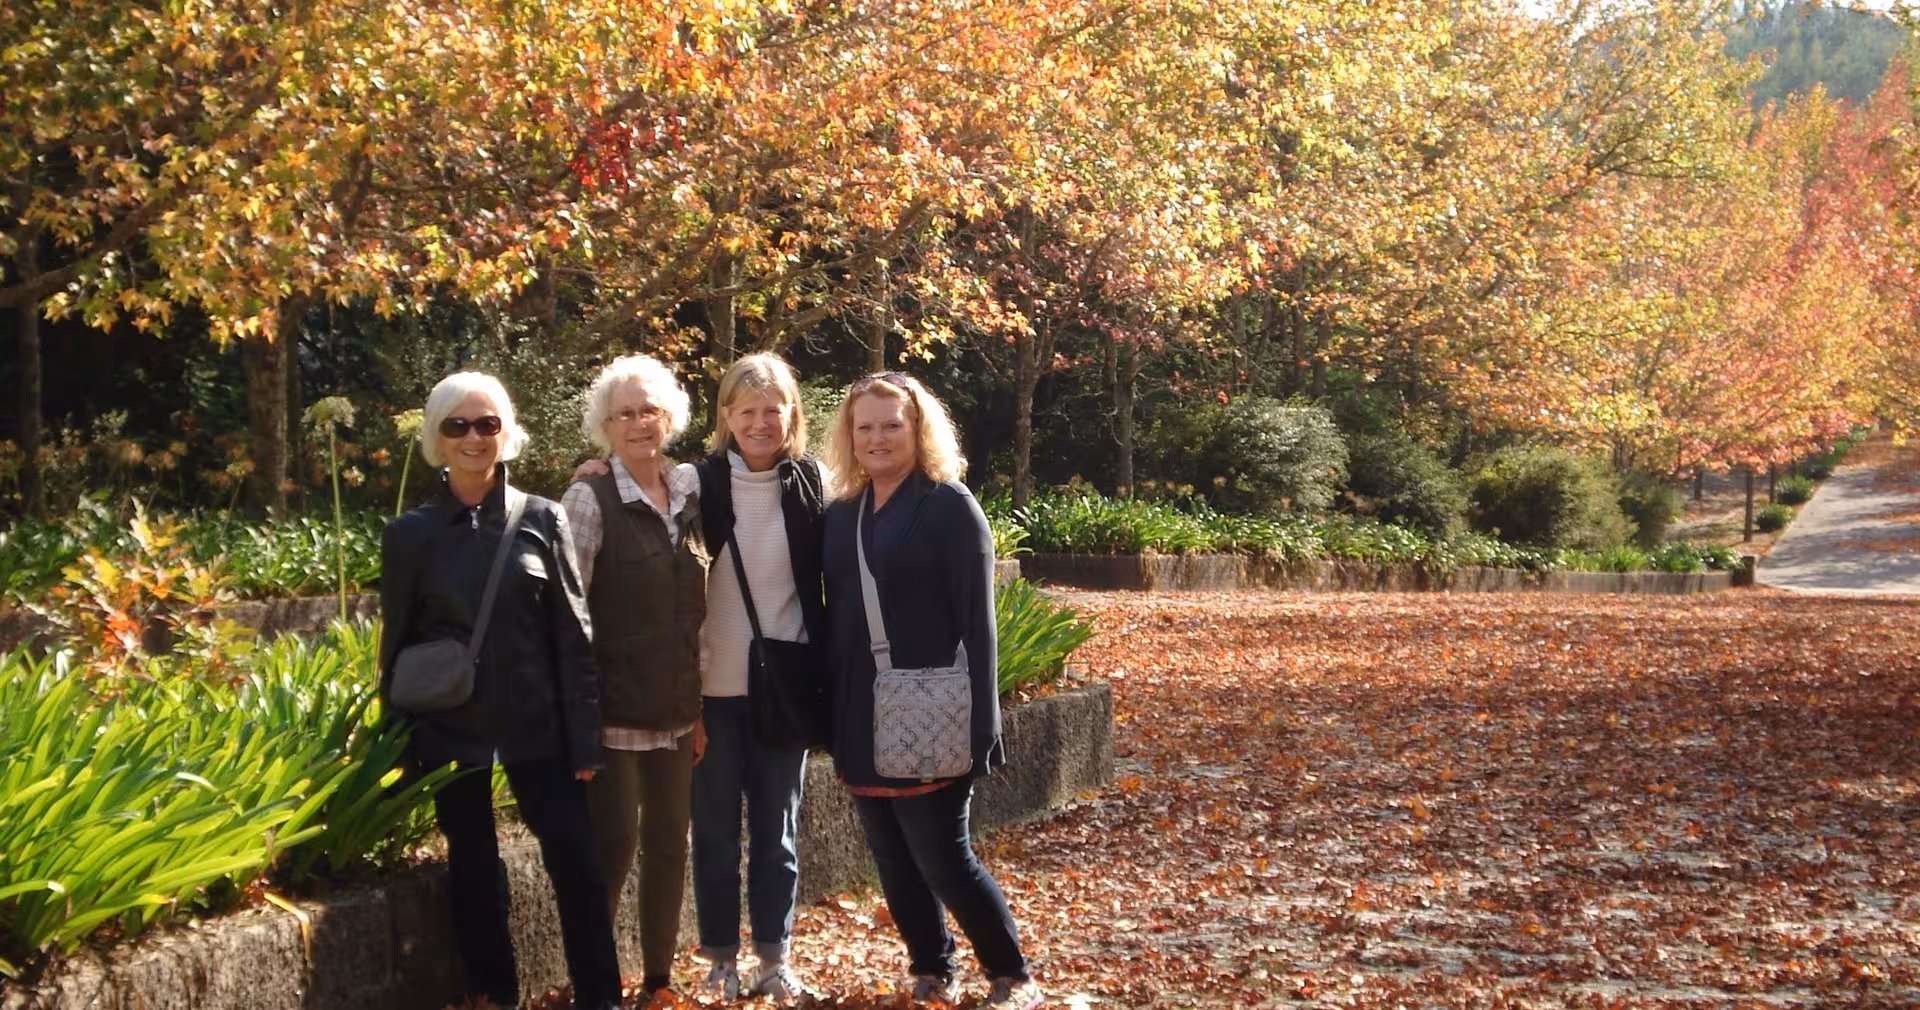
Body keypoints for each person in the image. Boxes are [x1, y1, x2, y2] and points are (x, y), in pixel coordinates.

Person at [379, 371, 622, 1010]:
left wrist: (585, 741)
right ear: (436, 436)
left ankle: (601, 997)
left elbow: (575, 635)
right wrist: (395, 748)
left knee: (576, 863)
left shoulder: (543, 518)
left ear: (506, 432)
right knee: (474, 869)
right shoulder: (409, 534)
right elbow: (396, 647)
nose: (473, 437)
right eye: (457, 425)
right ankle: (497, 994)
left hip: (537, 726)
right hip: (449, 726)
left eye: (487, 424)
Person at [819, 372, 1044, 1010]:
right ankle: (930, 967)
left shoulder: (949, 505)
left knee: (944, 858)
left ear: (918, 428)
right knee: (891, 857)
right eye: (864, 426)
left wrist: (984, 724)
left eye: (892, 424)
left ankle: (1010, 973)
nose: (878, 437)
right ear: (849, 435)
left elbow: (980, 620)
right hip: (859, 710)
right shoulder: (841, 514)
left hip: (932, 709)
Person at [560, 354, 708, 1001]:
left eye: (649, 409)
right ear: (606, 427)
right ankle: (594, 985)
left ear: (669, 416)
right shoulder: (587, 498)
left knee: (671, 846)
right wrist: (577, 721)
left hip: (677, 709)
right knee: (612, 846)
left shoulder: (690, 492)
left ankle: (657, 981)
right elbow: (566, 615)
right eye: (625, 413)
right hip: (611, 711)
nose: (639, 422)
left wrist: (699, 707)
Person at [686, 354, 828, 1002]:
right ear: (726, 418)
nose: (761, 422)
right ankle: (721, 959)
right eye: (747, 410)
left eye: (773, 409)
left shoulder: (811, 485)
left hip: (783, 691)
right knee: (715, 832)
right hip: (713, 691)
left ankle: (774, 958)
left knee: (777, 834)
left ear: (792, 415)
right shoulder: (699, 485)